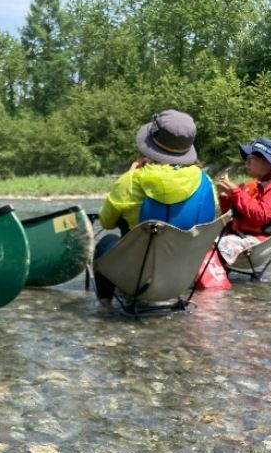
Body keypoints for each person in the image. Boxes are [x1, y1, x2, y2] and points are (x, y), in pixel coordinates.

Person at [93, 109, 218, 309]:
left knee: (105, 242)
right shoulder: (207, 182)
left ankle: (105, 307)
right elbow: (209, 220)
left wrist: (127, 177)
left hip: (136, 277)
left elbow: (106, 222)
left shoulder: (131, 181)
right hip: (180, 276)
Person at [215, 137, 271, 264]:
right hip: (239, 237)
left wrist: (235, 192)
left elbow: (261, 215)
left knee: (205, 249)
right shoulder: (256, 185)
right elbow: (232, 218)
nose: (247, 163)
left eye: (251, 159)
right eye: (246, 159)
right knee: (199, 242)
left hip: (255, 244)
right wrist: (225, 197)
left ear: (267, 162)